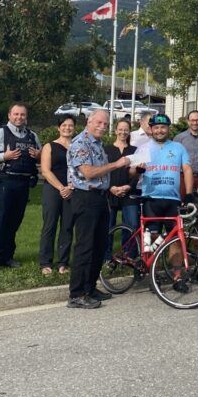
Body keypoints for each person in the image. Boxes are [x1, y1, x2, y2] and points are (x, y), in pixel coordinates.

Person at [66, 109, 132, 309]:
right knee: (85, 246)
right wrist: (117, 164)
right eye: (99, 123)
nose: (102, 127)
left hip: (101, 197)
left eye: (105, 124)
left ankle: (90, 287)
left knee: (99, 244)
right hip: (85, 197)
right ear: (89, 121)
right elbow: (88, 173)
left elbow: (102, 176)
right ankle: (76, 293)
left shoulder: (98, 144)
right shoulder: (80, 143)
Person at [0, 103, 42, 273]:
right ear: (9, 115)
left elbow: (42, 156)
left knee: (14, 222)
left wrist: (39, 155)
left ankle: (7, 256)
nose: (19, 117)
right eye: (16, 114)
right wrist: (3, 156)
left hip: (23, 184)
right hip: (4, 182)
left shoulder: (32, 136)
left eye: (22, 115)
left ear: (26, 117)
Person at [139, 114, 194, 284]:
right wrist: (137, 170)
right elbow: (131, 172)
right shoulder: (144, 148)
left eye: (163, 127)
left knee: (176, 238)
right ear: (151, 129)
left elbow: (187, 170)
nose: (160, 130)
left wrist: (189, 194)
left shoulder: (178, 148)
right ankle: (151, 273)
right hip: (151, 198)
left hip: (173, 199)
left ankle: (177, 275)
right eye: (156, 127)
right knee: (151, 236)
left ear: (168, 129)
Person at [38, 115, 76, 276]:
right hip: (53, 189)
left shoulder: (77, 147)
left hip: (72, 190)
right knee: (50, 225)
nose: (67, 128)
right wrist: (61, 187)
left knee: (67, 227)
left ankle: (63, 262)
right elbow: (45, 170)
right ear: (59, 128)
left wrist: (71, 187)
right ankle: (46, 262)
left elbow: (81, 170)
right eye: (64, 125)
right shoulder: (50, 146)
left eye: (70, 125)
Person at [105, 119, 139, 260]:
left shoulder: (134, 151)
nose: (123, 132)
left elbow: (138, 173)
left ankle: (127, 256)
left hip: (129, 192)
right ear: (115, 130)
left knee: (132, 225)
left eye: (126, 129)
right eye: (120, 129)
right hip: (109, 192)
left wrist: (129, 186)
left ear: (129, 131)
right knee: (107, 226)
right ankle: (106, 257)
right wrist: (111, 187)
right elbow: (103, 172)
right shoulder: (106, 150)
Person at [173, 109, 198, 197]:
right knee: (182, 207)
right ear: (188, 121)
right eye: (192, 120)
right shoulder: (179, 138)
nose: (195, 123)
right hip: (183, 178)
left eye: (197, 120)